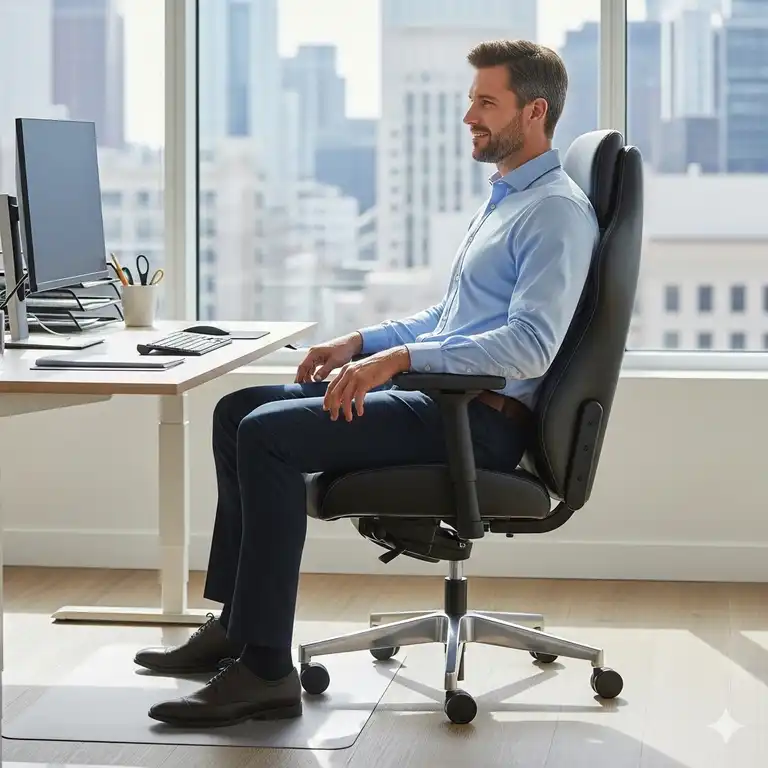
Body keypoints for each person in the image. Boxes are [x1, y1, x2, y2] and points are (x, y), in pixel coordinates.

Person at [136, 38, 599, 728]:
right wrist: (363, 343)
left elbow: (531, 345)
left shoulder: (554, 212)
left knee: (268, 437)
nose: (467, 114)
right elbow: (451, 317)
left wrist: (400, 361)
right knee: (238, 410)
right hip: (442, 399)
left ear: (534, 112)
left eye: (485, 101)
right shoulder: (506, 199)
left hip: (478, 422)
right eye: (470, 99)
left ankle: (265, 672)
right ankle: (238, 626)